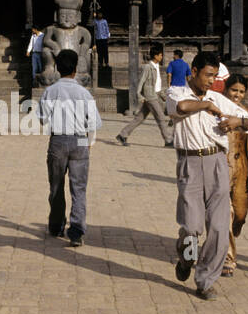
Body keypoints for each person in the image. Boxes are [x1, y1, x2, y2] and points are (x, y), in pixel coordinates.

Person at [167, 50, 248, 300]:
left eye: (214, 76)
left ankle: (205, 281)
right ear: (193, 72)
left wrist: (237, 122)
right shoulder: (177, 92)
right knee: (192, 228)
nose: (210, 80)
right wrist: (206, 105)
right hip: (190, 163)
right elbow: (182, 108)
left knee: (218, 229)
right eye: (207, 75)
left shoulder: (219, 98)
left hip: (218, 163)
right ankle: (186, 259)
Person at [38, 47, 102, 247]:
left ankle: (56, 226)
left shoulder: (51, 91)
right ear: (75, 68)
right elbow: (93, 123)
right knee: (79, 189)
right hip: (79, 140)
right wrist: (89, 142)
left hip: (58, 140)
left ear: (57, 68)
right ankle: (76, 232)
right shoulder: (84, 93)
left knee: (56, 187)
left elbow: (41, 118)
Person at [222, 75, 248, 276]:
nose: (237, 95)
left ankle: (232, 232)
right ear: (226, 89)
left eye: (241, 91)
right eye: (234, 90)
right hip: (223, 166)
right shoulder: (217, 110)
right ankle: (228, 260)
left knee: (240, 215)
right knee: (226, 215)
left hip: (243, 169)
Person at [115, 42, 174, 147]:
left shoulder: (156, 67)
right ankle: (168, 140)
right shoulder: (148, 67)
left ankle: (122, 135)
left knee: (139, 118)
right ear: (155, 56)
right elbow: (141, 82)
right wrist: (139, 95)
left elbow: (157, 85)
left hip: (154, 95)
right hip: (149, 97)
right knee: (161, 117)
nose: (162, 57)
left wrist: (163, 96)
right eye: (160, 55)